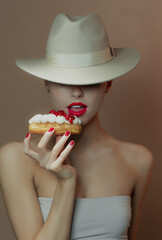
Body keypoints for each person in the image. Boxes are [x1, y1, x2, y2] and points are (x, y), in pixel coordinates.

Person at [0, 13, 153, 240]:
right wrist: (66, 183)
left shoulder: (138, 160)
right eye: (64, 79)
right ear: (47, 84)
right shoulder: (16, 158)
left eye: (90, 80)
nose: (77, 91)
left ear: (108, 83)